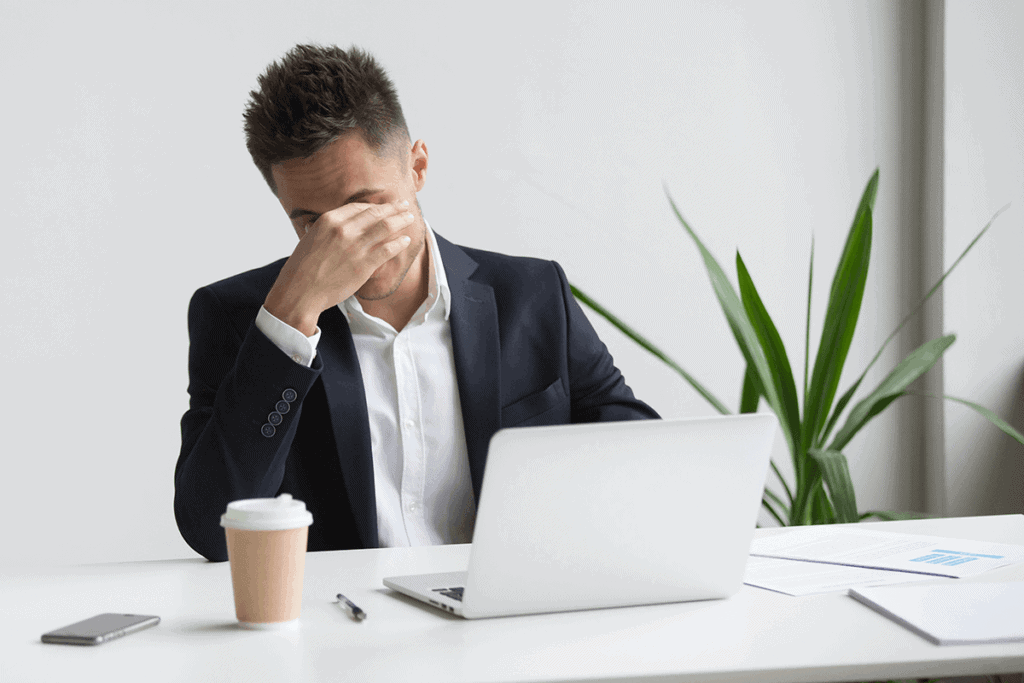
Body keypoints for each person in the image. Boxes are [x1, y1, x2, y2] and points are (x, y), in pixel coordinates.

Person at [174, 44, 659, 562]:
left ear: (418, 167)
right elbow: (212, 532)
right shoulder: (237, 317)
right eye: (312, 224)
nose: (345, 242)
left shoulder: (533, 294)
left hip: (504, 601)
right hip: (341, 610)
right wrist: (290, 321)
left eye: (365, 206)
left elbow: (647, 463)